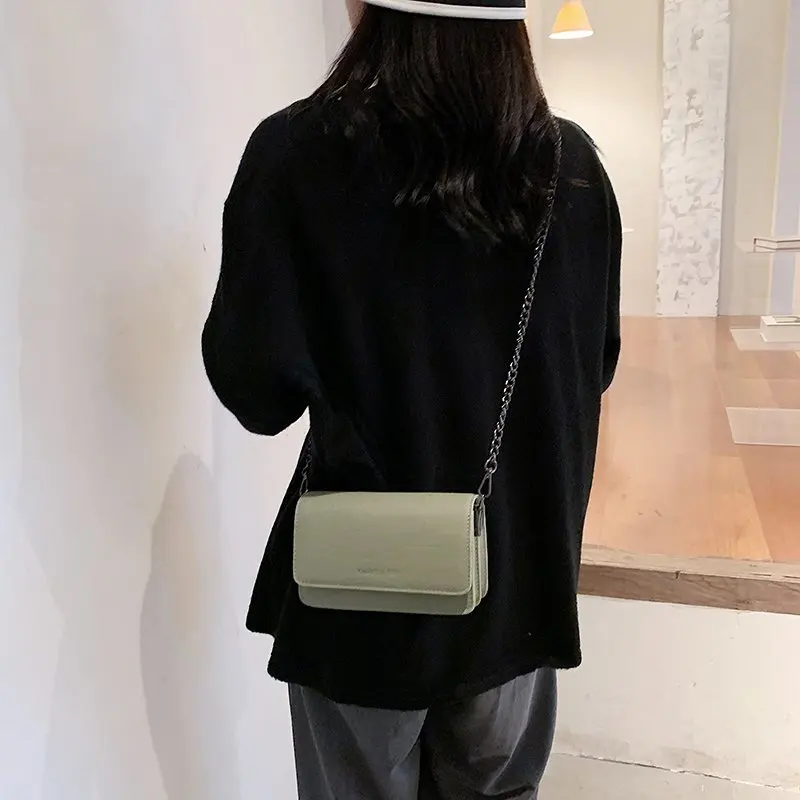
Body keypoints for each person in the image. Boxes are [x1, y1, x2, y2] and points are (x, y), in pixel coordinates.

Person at [202, 0, 622, 797]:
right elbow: (593, 365)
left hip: (357, 593)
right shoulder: (571, 168)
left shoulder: (293, 156)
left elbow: (257, 394)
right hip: (516, 583)